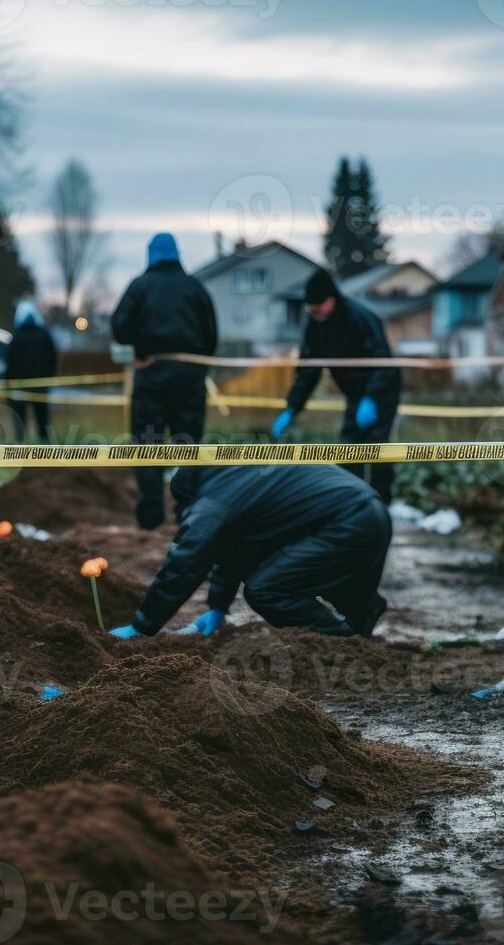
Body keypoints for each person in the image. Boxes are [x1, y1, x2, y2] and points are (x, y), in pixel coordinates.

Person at [107, 465, 391, 640]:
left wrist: (142, 626)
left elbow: (187, 560)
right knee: (301, 571)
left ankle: (338, 642)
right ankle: (362, 613)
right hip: (371, 513)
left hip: (346, 521)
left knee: (266, 589)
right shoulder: (238, 476)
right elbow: (236, 550)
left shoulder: (215, 501)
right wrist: (218, 606)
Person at [112, 233, 218, 529]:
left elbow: (119, 327)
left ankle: (150, 518)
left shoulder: (140, 286)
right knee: (188, 445)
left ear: (151, 256)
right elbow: (211, 336)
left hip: (151, 376)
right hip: (190, 378)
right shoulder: (195, 288)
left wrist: (141, 348)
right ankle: (187, 514)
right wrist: (197, 370)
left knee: (148, 443)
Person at [273, 269, 402, 502]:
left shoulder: (361, 319)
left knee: (376, 445)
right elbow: (308, 371)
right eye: (311, 307)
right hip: (354, 394)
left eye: (319, 305)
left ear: (332, 299)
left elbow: (385, 363)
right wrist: (292, 407)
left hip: (381, 391)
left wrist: (372, 398)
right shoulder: (315, 326)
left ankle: (384, 501)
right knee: (349, 446)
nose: (315, 311)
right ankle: (350, 499)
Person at [5, 299, 58, 442]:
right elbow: (53, 359)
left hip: (19, 387)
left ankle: (19, 449)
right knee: (42, 419)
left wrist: (8, 386)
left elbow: (9, 364)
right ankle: (44, 449)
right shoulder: (44, 336)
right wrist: (48, 379)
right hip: (40, 386)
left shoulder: (16, 338)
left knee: (19, 420)